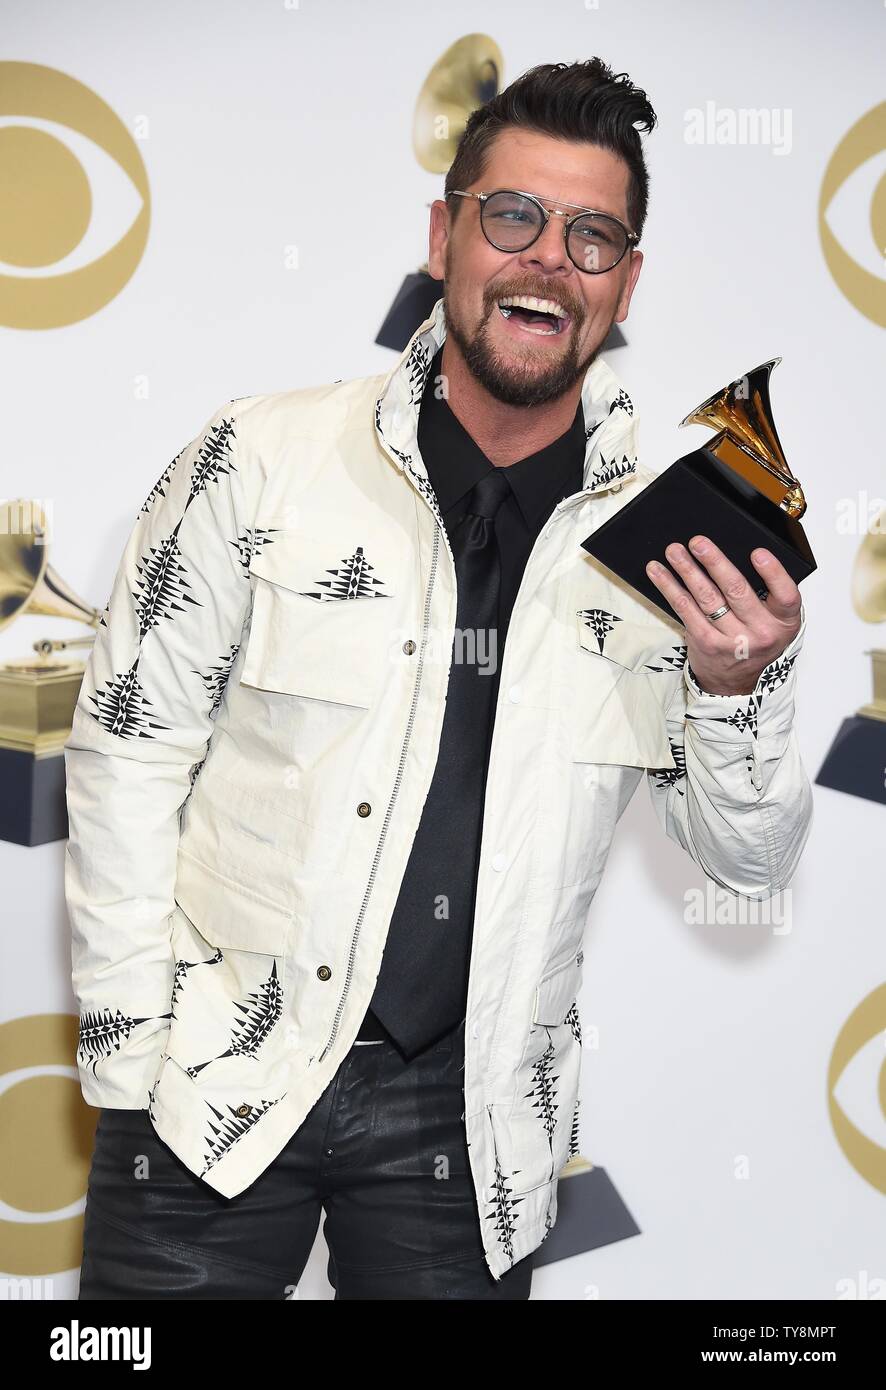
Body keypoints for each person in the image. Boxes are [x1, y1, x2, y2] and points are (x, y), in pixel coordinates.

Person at [65, 57, 813, 1301]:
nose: (545, 260)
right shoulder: (261, 458)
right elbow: (129, 745)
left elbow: (751, 862)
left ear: (626, 282)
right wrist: (135, 1048)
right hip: (213, 1078)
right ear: (444, 233)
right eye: (512, 216)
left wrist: (735, 687)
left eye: (591, 236)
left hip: (470, 1126)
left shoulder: (680, 534)